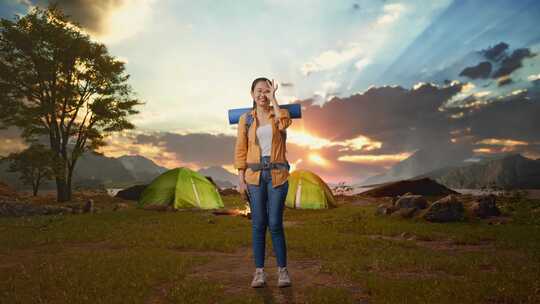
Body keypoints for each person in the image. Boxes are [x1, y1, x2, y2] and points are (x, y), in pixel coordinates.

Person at [234, 77, 293, 288]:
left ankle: (282, 271)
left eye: (266, 91)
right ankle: (259, 272)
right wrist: (240, 178)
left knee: (275, 223)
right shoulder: (246, 119)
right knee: (258, 224)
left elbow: (284, 124)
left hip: (277, 174)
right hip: (254, 176)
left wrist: (274, 99)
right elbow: (241, 149)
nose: (262, 95)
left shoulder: (279, 114)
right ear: (252, 94)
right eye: (259, 91)